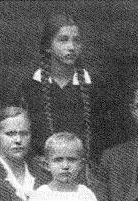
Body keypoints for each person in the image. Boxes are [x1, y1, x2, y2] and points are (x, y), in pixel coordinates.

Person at [16, 12, 120, 169]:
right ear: (47, 47)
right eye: (63, 40)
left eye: (76, 41)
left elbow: (109, 140)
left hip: (86, 175)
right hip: (39, 174)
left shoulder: (96, 88)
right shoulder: (29, 88)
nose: (71, 47)